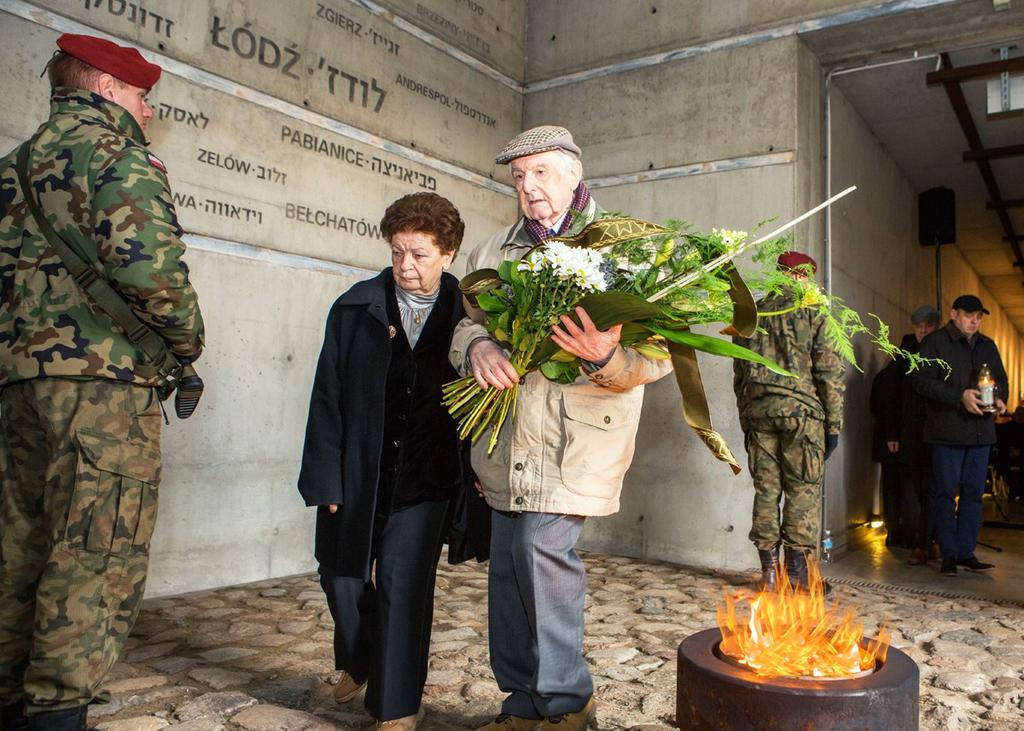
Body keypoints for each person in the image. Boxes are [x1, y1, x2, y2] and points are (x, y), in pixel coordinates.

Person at [0, 34, 204, 731]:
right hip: (103, 388)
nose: (147, 112)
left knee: (18, 541)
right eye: (143, 98)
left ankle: (11, 692)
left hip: (18, 384)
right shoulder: (117, 155)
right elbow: (154, 273)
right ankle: (57, 706)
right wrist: (186, 342)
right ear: (108, 89)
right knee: (95, 547)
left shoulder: (13, 167)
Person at [449, 126, 672, 731]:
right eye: (518, 177)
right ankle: (521, 702)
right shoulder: (491, 252)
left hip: (576, 438)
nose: (529, 188)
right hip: (503, 438)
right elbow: (463, 324)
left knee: (540, 550)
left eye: (541, 172)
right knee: (506, 565)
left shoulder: (623, 251)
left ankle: (566, 703)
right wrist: (476, 351)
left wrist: (605, 356)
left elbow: (659, 356)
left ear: (575, 172)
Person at [298, 193, 476, 731]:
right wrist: (328, 477)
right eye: (398, 252)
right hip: (358, 475)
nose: (405, 266)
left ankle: (396, 706)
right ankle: (358, 662)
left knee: (403, 586)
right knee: (342, 580)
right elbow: (326, 396)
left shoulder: (471, 317)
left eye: (420, 254)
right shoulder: (355, 308)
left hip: (427, 478)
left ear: (448, 253)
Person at [733, 251, 845, 591]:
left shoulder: (751, 313)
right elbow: (830, 372)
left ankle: (768, 574)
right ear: (803, 277)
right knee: (802, 491)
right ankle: (797, 577)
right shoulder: (814, 312)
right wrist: (834, 426)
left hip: (759, 412)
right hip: (801, 415)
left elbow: (738, 370)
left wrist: (745, 417)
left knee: (766, 490)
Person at [914, 295, 1007, 576]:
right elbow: (921, 382)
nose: (974, 321)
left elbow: (1000, 380)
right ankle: (949, 554)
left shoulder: (987, 345)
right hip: (947, 433)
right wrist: (959, 397)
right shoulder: (935, 343)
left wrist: (1001, 398)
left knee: (974, 495)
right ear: (953, 314)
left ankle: (966, 552)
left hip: (981, 434)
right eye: (969, 315)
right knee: (945, 494)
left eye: (978, 316)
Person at [900, 306, 942, 566]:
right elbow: (894, 395)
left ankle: (931, 541)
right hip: (913, 433)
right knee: (916, 490)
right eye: (918, 326)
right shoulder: (905, 353)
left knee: (935, 490)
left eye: (927, 325)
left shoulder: (942, 351)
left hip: (938, 432)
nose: (922, 330)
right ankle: (920, 542)